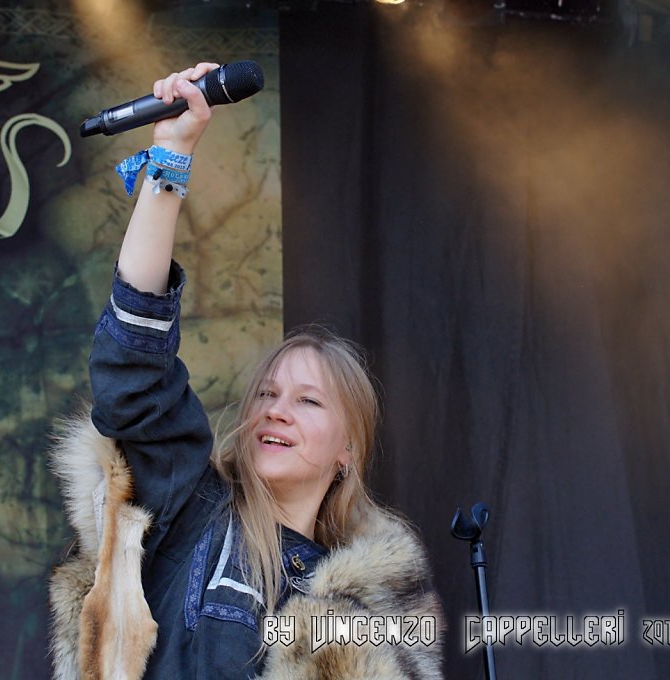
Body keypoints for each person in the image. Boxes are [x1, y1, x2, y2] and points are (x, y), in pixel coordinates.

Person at [49, 62, 444, 680]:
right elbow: (133, 368)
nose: (276, 410)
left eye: (309, 402)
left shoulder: (371, 602)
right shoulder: (190, 508)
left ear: (349, 450)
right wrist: (171, 154)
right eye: (267, 392)